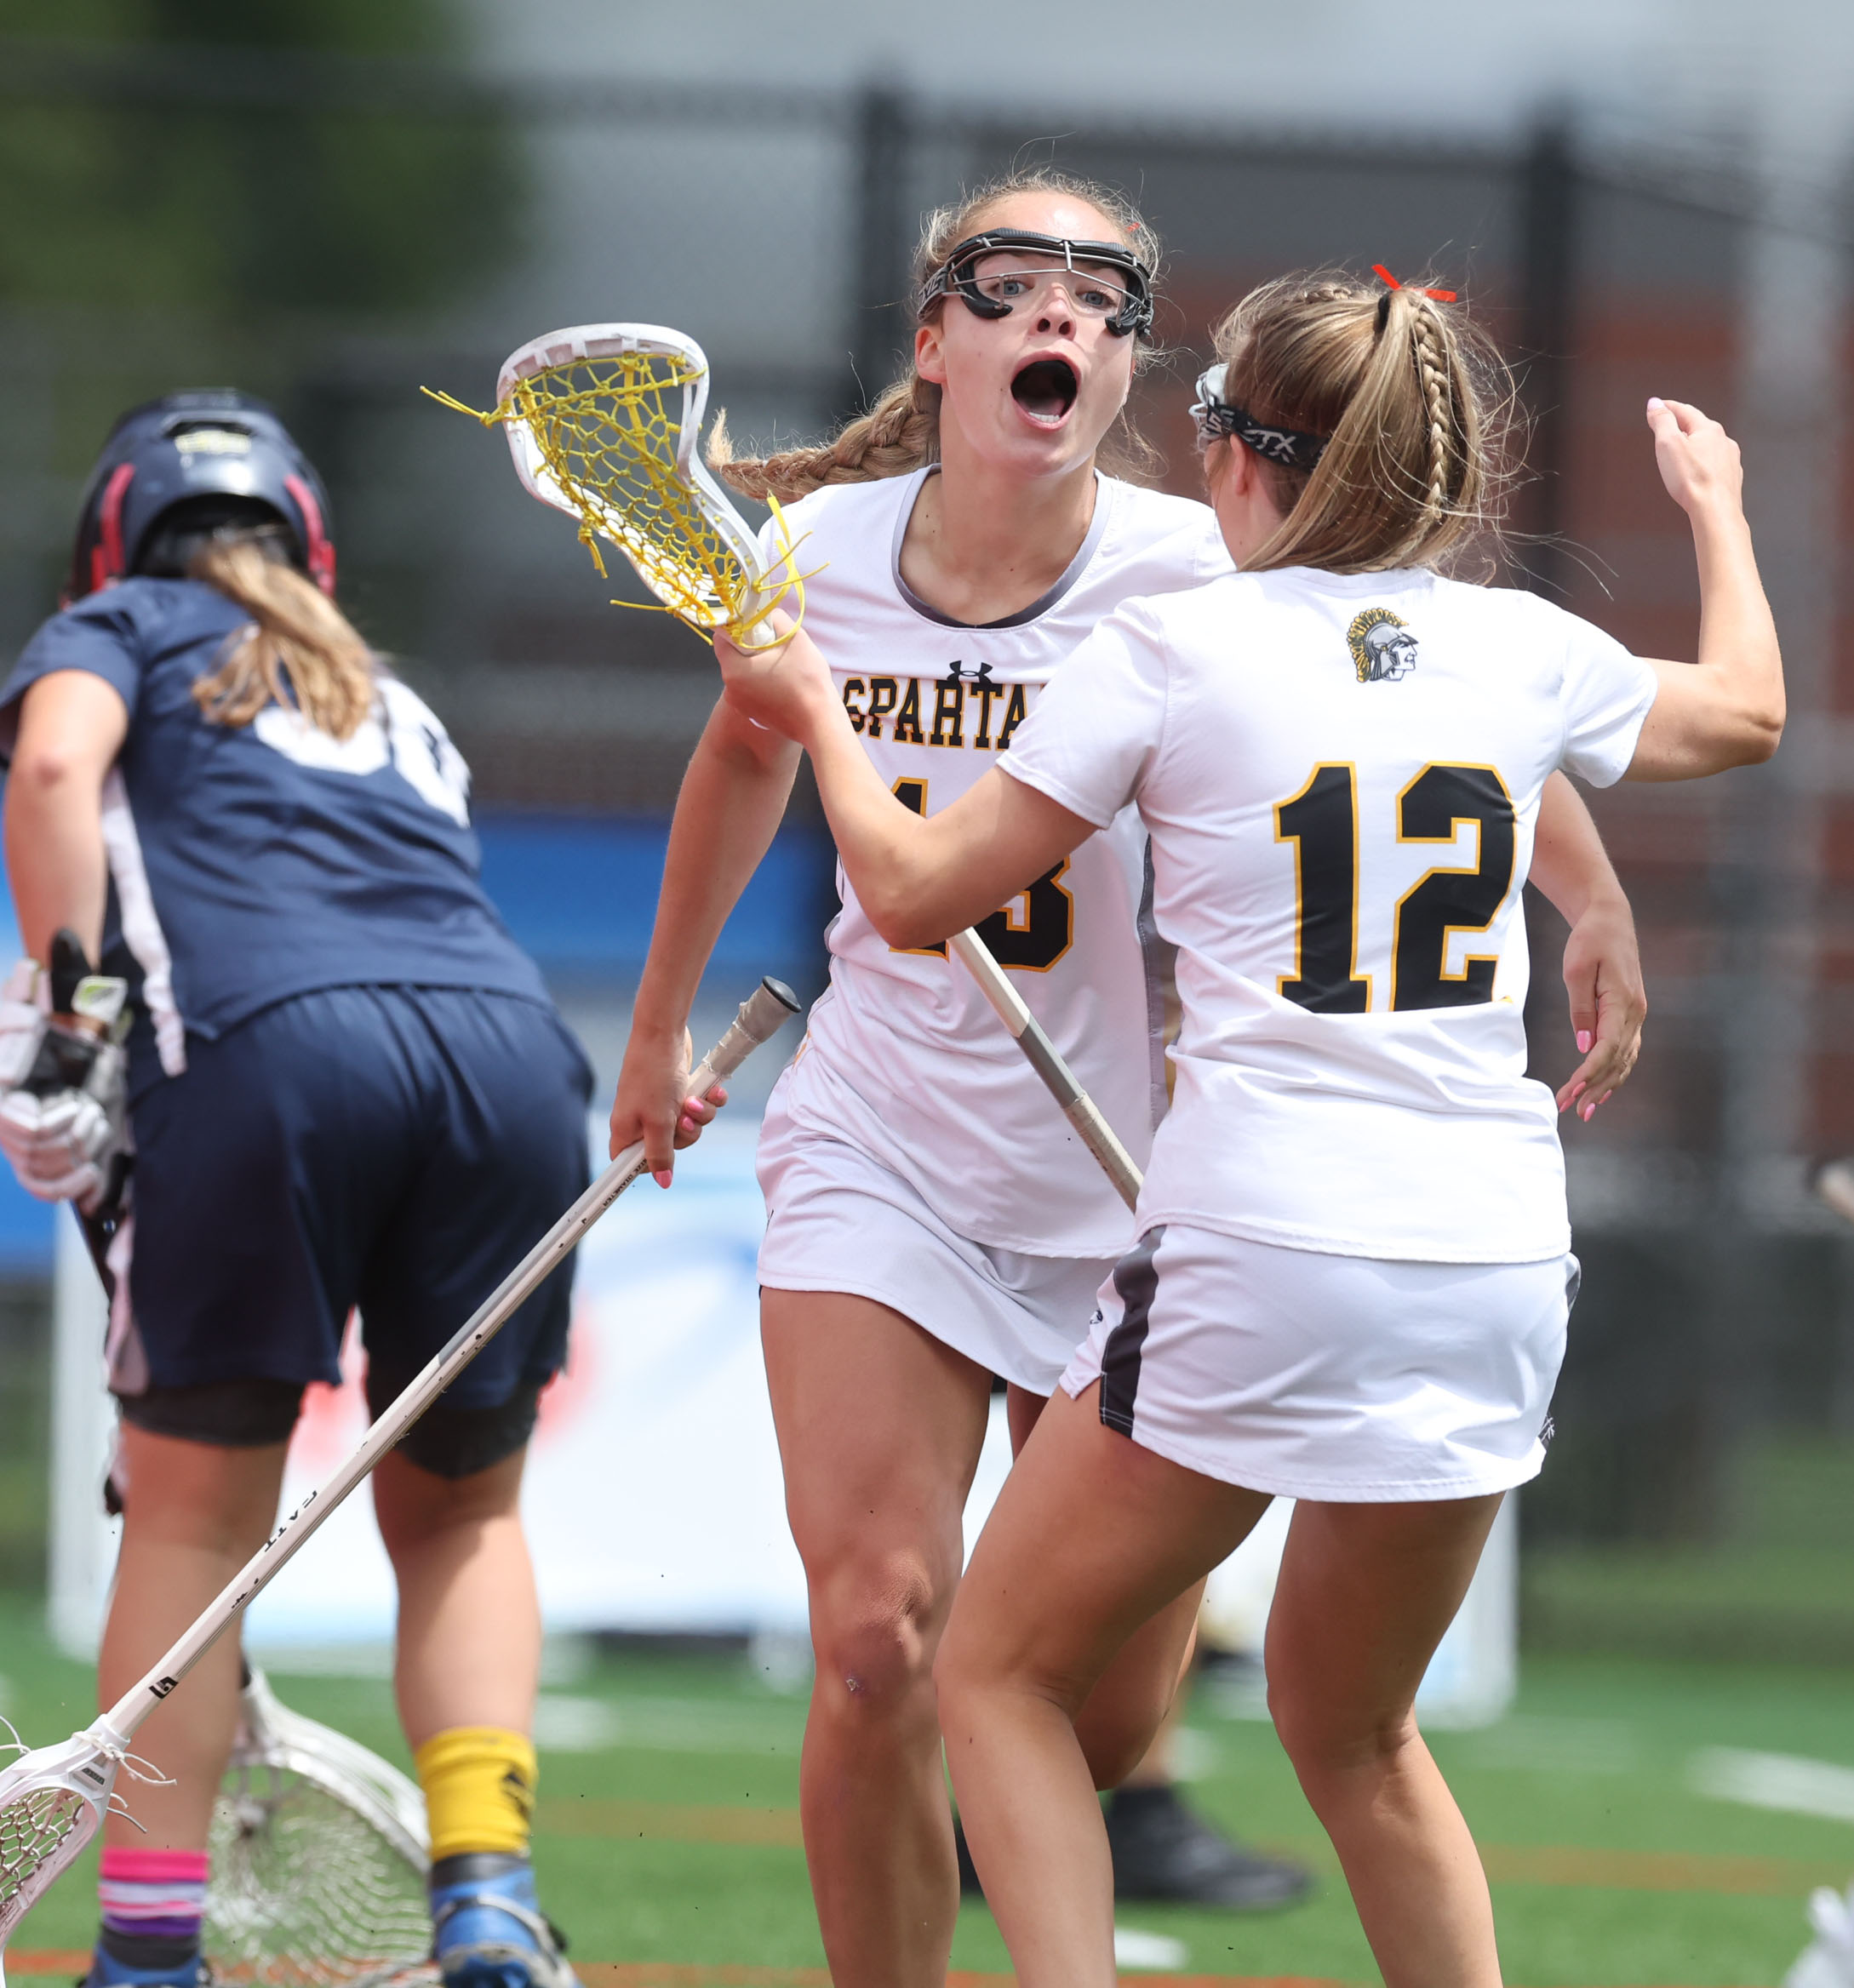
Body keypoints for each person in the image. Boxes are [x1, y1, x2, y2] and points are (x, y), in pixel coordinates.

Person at [611, 180, 1645, 1987]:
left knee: (1084, 1715)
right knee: (878, 1641)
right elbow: (743, 752)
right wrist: (654, 1027)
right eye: (1012, 288)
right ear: (938, 342)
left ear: (1127, 367)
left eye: (1105, 298)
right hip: (883, 1139)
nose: (1061, 319)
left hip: (1133, 1174)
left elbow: (1448, 708)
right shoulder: (823, 551)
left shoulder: (1198, 563)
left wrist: (1594, 893)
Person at [0, 392, 606, 1988]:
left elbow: (57, 766)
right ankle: (484, 1895)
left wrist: (75, 1024)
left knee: (192, 1533)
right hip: (508, 1064)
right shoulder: (381, 690)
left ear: (116, 538)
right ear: (307, 538)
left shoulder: (115, 624)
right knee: (467, 1513)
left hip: (273, 1056)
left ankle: (145, 1954)